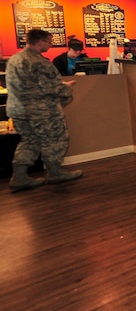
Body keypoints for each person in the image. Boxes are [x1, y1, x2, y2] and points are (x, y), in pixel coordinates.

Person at [6, 29, 83, 191]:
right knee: (55, 139)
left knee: (29, 141)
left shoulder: (14, 59)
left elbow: (30, 85)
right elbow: (53, 88)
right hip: (41, 111)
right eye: (49, 41)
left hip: (17, 110)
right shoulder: (39, 62)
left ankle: (19, 177)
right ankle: (55, 173)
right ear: (40, 41)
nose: (51, 44)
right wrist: (67, 88)